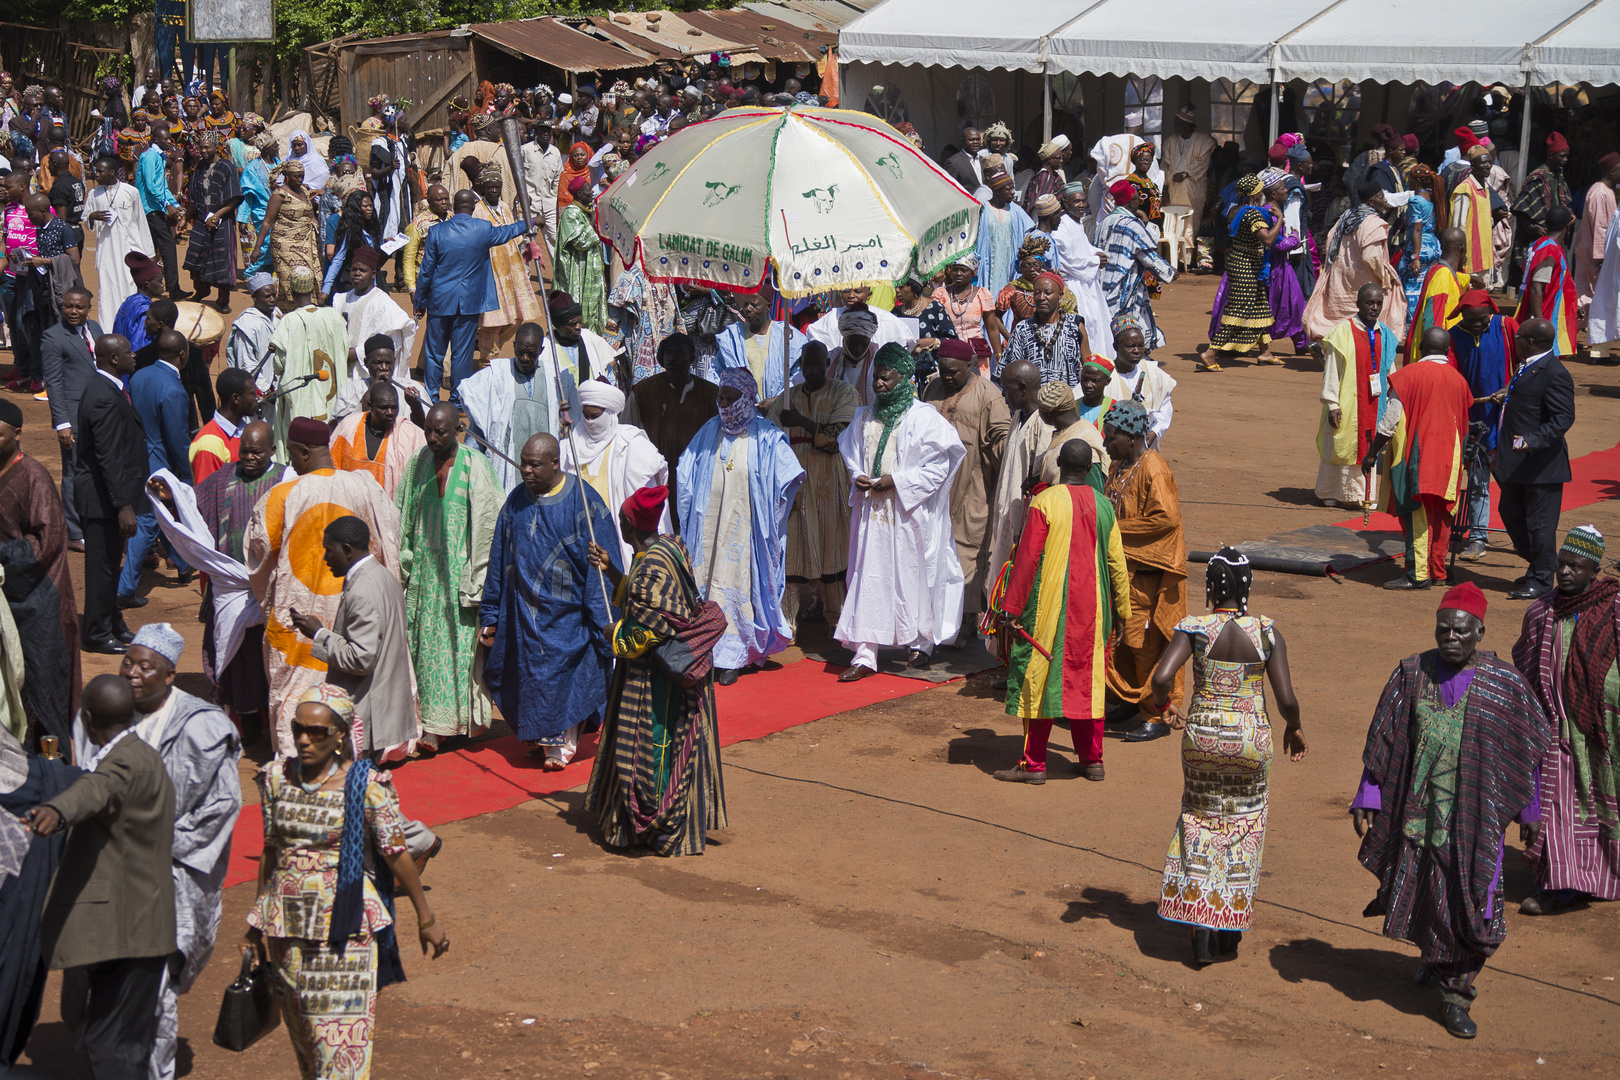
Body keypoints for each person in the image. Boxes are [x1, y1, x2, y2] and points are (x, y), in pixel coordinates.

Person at [1351, 582, 1552, 1039]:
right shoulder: (1412, 673)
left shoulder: (1504, 686)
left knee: (1470, 897)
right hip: (1420, 813)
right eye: (1443, 630)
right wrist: (1368, 793)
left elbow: (1526, 753)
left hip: (1476, 818)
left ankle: (1456, 994)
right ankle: (1436, 957)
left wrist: (1531, 810)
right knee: (1424, 885)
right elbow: (1385, 738)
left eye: (1461, 632)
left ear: (1480, 631)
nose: (1451, 639)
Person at [246, 685, 448, 1080]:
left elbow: (396, 852)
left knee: (340, 1050)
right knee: (306, 1037)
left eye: (316, 732)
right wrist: (256, 925)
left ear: (340, 735)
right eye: (298, 728)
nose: (303, 739)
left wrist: (426, 918)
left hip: (345, 929)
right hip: (285, 929)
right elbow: (272, 852)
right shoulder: (275, 779)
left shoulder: (366, 785)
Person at [79, 624, 241, 1080]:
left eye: (145, 667)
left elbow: (221, 807)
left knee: (158, 988)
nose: (132, 673)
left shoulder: (203, 726)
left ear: (169, 675)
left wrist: (159, 845)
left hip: (173, 878)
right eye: (127, 662)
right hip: (108, 874)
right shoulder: (102, 710)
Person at [1148, 547, 1305, 965]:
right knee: (1244, 826)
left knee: (1199, 820)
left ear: (1210, 587)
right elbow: (1286, 700)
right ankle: (1228, 931)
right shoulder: (1268, 632)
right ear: (1247, 587)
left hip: (1202, 740)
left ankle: (1199, 923)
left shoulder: (1194, 627)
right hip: (1251, 742)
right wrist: (1294, 727)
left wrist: (1166, 708)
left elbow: (1161, 679)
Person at [23, 674, 175, 1080]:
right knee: (123, 1043)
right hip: (141, 922)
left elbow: (95, 789)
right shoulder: (144, 754)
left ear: (87, 719)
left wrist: (56, 811)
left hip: (124, 927)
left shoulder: (122, 762)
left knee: (109, 1047)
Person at [583, 485, 727, 854]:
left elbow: (650, 628)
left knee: (651, 749)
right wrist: (613, 571)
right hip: (676, 670)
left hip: (655, 680)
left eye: (621, 524)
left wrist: (612, 632)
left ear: (630, 526)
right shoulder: (668, 549)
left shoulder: (649, 566)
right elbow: (648, 599)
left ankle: (654, 824)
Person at [246, 418, 401, 754]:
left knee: (297, 697)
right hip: (358, 616)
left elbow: (258, 557)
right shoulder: (366, 487)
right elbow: (390, 536)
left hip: (299, 628)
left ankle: (298, 757)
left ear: (302, 452)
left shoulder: (281, 497)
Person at [991, 439, 1129, 785]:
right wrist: (1123, 612)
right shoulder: (1103, 505)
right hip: (1095, 611)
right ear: (1088, 469)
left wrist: (1009, 608)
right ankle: (1092, 761)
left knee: (1039, 680)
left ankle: (1033, 764)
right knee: (1088, 679)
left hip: (1050, 610)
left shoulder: (1044, 501)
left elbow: (1026, 561)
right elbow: (1117, 564)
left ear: (1058, 466)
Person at [480, 433, 621, 768]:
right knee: (528, 675)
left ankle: (561, 744)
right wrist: (491, 612)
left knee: (563, 676)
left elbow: (602, 562)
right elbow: (500, 556)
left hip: (569, 613)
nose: (526, 470)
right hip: (523, 613)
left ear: (555, 463)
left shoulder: (585, 504)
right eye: (523, 463)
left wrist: (603, 618)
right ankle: (537, 736)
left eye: (534, 465)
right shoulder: (515, 501)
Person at [835, 345, 965, 681]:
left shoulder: (924, 419)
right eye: (876, 377)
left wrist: (898, 481)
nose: (877, 383)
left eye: (885, 377)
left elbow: (940, 466)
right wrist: (857, 476)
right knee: (868, 579)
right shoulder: (864, 416)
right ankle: (866, 654)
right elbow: (850, 452)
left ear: (904, 379)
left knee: (915, 576)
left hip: (909, 514)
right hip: (871, 513)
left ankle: (920, 642)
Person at [149, 422, 280, 740]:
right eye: (245, 451)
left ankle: (271, 726)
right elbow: (193, 507)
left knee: (270, 660)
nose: (249, 457)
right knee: (237, 662)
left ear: (272, 452)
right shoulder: (223, 480)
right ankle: (245, 725)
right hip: (231, 593)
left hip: (269, 593)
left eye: (257, 452)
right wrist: (169, 498)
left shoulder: (285, 482)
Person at [1514, 526, 1620, 914]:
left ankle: (1600, 878)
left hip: (1603, 733)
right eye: (1561, 563)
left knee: (1601, 808)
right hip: (1555, 731)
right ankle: (1561, 888)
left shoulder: (1614, 608)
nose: (1565, 572)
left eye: (1576, 566)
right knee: (1558, 805)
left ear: (1593, 571)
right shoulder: (1541, 611)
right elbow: (1525, 668)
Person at [676, 369, 804, 686]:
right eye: (721, 397)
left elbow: (790, 474)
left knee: (738, 587)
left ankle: (734, 656)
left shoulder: (767, 436)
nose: (724, 404)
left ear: (747, 399)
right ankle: (707, 650)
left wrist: (776, 506)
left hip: (746, 530)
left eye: (731, 398)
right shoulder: (708, 431)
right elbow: (684, 470)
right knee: (706, 585)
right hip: (707, 530)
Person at [392, 405, 504, 751]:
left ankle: (452, 725)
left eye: (440, 432)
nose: (432, 438)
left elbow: (488, 524)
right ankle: (427, 724)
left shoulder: (476, 466)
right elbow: (402, 512)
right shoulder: (418, 463)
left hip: (461, 578)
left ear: (458, 429)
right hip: (425, 576)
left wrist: (478, 576)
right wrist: (403, 561)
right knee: (424, 650)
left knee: (459, 651)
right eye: (428, 431)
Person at [288, 515, 425, 773]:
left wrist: (319, 634)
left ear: (347, 550)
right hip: (379, 706)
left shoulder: (363, 589)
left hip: (366, 710)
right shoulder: (383, 576)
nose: (326, 559)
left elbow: (360, 659)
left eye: (329, 551)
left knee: (353, 790)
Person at [1361, 327, 1475, 590]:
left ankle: (1417, 575)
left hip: (1418, 457)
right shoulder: (1460, 381)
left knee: (1416, 514)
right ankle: (1437, 571)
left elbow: (1390, 422)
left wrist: (1372, 453)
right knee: (1441, 516)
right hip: (1450, 461)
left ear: (1421, 347)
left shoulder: (1407, 376)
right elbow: (1466, 426)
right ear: (1447, 350)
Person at [1101, 400, 1187, 742]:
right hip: (1123, 573)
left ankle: (1154, 712)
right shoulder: (1121, 464)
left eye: (1111, 438)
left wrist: (1115, 529)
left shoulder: (1154, 468)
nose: (1106, 444)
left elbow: (1166, 518)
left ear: (1131, 437)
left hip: (1146, 578)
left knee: (1143, 645)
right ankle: (1130, 700)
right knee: (1119, 641)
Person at [761, 341, 858, 631]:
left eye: (818, 364)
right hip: (794, 481)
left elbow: (840, 435)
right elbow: (769, 435)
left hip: (830, 480)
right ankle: (786, 624)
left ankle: (838, 620)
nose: (812, 370)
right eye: (807, 365)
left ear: (827, 363)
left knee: (832, 546)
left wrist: (802, 422)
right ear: (800, 365)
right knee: (792, 551)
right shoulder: (786, 397)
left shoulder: (843, 392)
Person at [0, 398, 79, 750]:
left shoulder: (33, 475)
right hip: (5, 599)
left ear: (17, 434)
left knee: (42, 685)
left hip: (39, 603)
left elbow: (46, 541)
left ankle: (49, 771)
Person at [413, 189, 532, 409]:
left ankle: (431, 399)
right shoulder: (483, 229)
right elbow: (507, 232)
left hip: (440, 301)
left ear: (453, 207)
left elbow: (426, 272)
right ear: (473, 207)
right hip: (468, 303)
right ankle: (458, 403)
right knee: (462, 355)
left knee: (434, 353)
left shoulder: (437, 232)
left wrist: (420, 302)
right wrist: (530, 222)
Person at [923, 339, 1010, 630]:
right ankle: (932, 617)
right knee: (931, 551)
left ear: (970, 366)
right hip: (933, 488)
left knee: (967, 553)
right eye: (942, 370)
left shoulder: (989, 395)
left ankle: (963, 621)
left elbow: (1002, 441)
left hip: (973, 487)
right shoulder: (932, 388)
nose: (947, 377)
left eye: (953, 372)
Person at [1493, 318, 1574, 601]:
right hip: (1517, 464)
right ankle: (1540, 566)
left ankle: (1541, 581)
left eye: (1517, 337)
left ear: (1529, 342)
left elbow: (1564, 417)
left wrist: (1532, 442)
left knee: (1540, 525)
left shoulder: (1554, 372)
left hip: (1542, 466)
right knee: (1511, 514)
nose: (1513, 341)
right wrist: (1508, 394)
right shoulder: (1527, 365)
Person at [75, 334, 146, 656]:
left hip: (105, 497)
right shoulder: (104, 396)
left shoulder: (105, 388)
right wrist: (123, 506)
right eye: (129, 352)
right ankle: (95, 633)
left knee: (109, 564)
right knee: (102, 568)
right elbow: (108, 457)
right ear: (114, 359)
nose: (134, 356)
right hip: (102, 500)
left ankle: (112, 622)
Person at [119, 329, 196, 607]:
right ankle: (125, 588)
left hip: (135, 457)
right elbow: (177, 440)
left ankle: (181, 564)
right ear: (182, 355)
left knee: (160, 515)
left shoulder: (139, 376)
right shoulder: (174, 390)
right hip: (158, 465)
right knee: (150, 522)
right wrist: (187, 475)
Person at [559, 382, 669, 564]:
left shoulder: (630, 444)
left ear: (610, 414)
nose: (589, 421)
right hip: (577, 532)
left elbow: (651, 485)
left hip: (617, 532)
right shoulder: (570, 444)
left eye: (595, 416)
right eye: (586, 415)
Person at [1448, 293, 1519, 561]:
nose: (1477, 325)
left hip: (1505, 418)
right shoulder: (1453, 336)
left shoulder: (1505, 326)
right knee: (1478, 481)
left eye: (1481, 320)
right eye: (1471, 320)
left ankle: (1524, 536)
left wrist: (1510, 389)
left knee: (1513, 483)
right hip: (1473, 419)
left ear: (1490, 312)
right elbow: (1452, 374)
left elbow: (1525, 363)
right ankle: (1478, 538)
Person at [1315, 284, 1398, 509]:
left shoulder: (1386, 335)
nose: (1374, 307)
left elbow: (1391, 371)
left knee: (1369, 444)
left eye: (1378, 303)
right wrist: (1332, 404)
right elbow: (1331, 370)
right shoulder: (1342, 333)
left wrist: (1393, 398)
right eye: (1369, 302)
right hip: (1347, 401)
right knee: (1340, 445)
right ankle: (1331, 492)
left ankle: (1364, 494)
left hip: (1375, 402)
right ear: (1357, 304)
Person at [623, 333, 717, 522]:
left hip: (697, 478)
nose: (672, 358)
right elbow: (627, 434)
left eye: (679, 353)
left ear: (692, 357)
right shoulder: (643, 391)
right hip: (655, 477)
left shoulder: (711, 394)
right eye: (668, 353)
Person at [1305, 182, 1407, 341]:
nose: (1385, 201)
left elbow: (1330, 241)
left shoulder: (1347, 216)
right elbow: (1371, 257)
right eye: (1381, 197)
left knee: (1341, 316)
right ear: (1371, 202)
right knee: (1368, 315)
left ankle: (1327, 344)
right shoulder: (1373, 222)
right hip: (1365, 278)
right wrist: (1386, 277)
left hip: (1341, 276)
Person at [39, 286, 101, 550]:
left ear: (89, 307)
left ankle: (92, 519)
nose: (73, 311)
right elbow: (53, 382)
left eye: (79, 307)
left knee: (96, 467)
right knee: (73, 471)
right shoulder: (53, 337)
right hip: (73, 416)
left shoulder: (95, 329)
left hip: (98, 413)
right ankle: (74, 532)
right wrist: (61, 422)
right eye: (68, 306)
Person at [1200, 175, 1283, 370]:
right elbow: (1269, 240)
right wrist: (1279, 218)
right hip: (1245, 265)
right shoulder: (1253, 215)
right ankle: (1211, 353)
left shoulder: (1236, 210)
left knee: (1260, 305)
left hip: (1243, 262)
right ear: (1256, 192)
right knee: (1239, 308)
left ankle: (1265, 352)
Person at [985, 359, 1048, 604]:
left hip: (1024, 522)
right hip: (1006, 514)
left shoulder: (1042, 424)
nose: (1003, 395)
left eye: (1007, 389)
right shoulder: (1019, 416)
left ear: (1023, 388)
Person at [268, 267, 346, 456]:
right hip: (331, 397)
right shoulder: (333, 316)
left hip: (300, 402)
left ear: (291, 290)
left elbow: (279, 367)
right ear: (313, 289)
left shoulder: (288, 321)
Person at [471, 170, 547, 357]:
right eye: (490, 187)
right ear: (484, 188)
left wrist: (528, 246)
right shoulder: (478, 209)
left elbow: (514, 233)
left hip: (512, 268)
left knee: (516, 316)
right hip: (491, 269)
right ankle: (487, 359)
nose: (494, 190)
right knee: (493, 320)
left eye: (497, 187)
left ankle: (488, 345)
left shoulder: (505, 206)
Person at [1097, 180, 1175, 348]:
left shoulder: (1104, 222)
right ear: (1131, 202)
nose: (1139, 202)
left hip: (1102, 283)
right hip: (1124, 284)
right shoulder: (1132, 225)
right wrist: (1170, 272)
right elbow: (1148, 255)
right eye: (1137, 199)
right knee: (1125, 324)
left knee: (1110, 321)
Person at [82, 155, 155, 323]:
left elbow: (141, 222)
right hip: (106, 251)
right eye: (96, 171)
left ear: (112, 172)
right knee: (107, 292)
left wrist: (149, 253)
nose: (96, 175)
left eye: (100, 171)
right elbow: (86, 221)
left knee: (129, 287)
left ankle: (129, 324)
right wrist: (92, 217)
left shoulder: (130, 192)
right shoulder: (94, 194)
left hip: (129, 249)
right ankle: (108, 329)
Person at [329, 382, 427, 501]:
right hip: (350, 504)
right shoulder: (349, 426)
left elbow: (427, 449)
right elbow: (332, 466)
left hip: (388, 510)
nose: (390, 413)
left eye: (394, 407)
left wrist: (416, 407)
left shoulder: (408, 432)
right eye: (384, 408)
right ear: (370, 406)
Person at [1049, 186, 1115, 360]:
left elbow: (1084, 248)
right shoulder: (1062, 226)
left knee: (1096, 323)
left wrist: (1096, 253)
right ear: (1065, 203)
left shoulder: (1077, 222)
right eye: (1076, 201)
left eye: (1083, 200)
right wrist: (1095, 261)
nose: (1082, 205)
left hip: (1087, 283)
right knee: (1085, 324)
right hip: (1074, 285)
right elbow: (1068, 260)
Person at [995, 270, 1091, 387]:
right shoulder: (1023, 329)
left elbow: (1088, 367)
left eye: (1048, 292)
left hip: (1068, 401)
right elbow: (1009, 371)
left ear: (1060, 295)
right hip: (1032, 402)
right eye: (1037, 293)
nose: (1041, 297)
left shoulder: (1075, 326)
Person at [331, 246, 417, 376]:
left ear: (374, 274)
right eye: (353, 269)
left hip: (367, 373)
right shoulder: (341, 299)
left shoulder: (383, 303)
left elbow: (395, 339)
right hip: (341, 368)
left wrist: (358, 353)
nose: (357, 273)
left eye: (363, 270)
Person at [181, 129, 241, 311]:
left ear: (216, 147)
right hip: (200, 219)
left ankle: (223, 300)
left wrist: (217, 216)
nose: (203, 151)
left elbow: (235, 198)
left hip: (222, 221)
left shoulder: (227, 168)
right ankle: (201, 291)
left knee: (222, 259)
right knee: (197, 256)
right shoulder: (199, 167)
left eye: (207, 147)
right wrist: (185, 218)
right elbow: (193, 197)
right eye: (201, 147)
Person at [715, 288, 805, 401]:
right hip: (741, 409)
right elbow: (717, 372)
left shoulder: (787, 335)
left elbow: (798, 376)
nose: (748, 309)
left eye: (754, 305)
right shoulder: (733, 336)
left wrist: (777, 400)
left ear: (768, 307)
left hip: (779, 409)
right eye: (746, 304)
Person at [251, 159, 322, 299]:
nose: (300, 179)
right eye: (297, 176)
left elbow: (311, 216)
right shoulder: (279, 195)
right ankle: (292, 309)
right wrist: (257, 247)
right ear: (287, 176)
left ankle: (307, 306)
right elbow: (267, 221)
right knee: (290, 278)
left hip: (306, 242)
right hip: (284, 244)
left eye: (302, 176)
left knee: (311, 275)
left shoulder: (304, 192)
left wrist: (317, 234)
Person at [1514, 207, 1577, 357]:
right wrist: (1539, 324)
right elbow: (1536, 286)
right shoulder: (1549, 250)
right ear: (1567, 226)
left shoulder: (1539, 243)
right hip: (1546, 314)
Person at [1104, 315, 1176, 448]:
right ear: (1116, 346)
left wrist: (1154, 432)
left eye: (1140, 346)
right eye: (1130, 346)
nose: (1137, 351)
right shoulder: (1105, 377)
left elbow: (1164, 406)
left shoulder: (1154, 373)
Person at [134, 124, 184, 300]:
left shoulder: (159, 156)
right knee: (167, 245)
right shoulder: (149, 157)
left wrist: (172, 203)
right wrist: (167, 204)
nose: (169, 141)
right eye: (165, 139)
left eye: (169, 138)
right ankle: (173, 288)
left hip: (156, 207)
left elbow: (161, 185)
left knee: (152, 247)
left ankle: (150, 286)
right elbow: (150, 185)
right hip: (148, 208)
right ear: (155, 140)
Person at [1406, 227, 1469, 365]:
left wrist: (1470, 278)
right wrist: (1435, 359)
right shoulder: (1442, 277)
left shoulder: (1437, 270)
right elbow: (1432, 320)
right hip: (1437, 358)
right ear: (1463, 249)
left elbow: (1454, 279)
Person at [1161, 105, 1217, 258]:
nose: (1174, 126)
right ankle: (1171, 257)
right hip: (1173, 190)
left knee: (1190, 221)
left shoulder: (1202, 141)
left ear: (1186, 124)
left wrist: (1185, 173)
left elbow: (1202, 165)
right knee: (1172, 222)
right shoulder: (1170, 142)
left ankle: (1188, 258)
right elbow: (1164, 167)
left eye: (1177, 122)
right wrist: (1165, 189)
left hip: (1193, 189)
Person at [189, 367, 257, 486]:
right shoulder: (209, 444)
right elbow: (207, 497)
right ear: (236, 398)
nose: (257, 398)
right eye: (252, 394)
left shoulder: (246, 430)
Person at [1512, 133, 1573, 264]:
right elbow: (1521, 209)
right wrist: (1533, 227)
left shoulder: (1558, 175)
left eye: (1567, 156)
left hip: (1557, 234)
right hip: (1540, 236)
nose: (1566, 159)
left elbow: (1565, 202)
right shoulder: (1537, 178)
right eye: (1562, 156)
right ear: (1551, 155)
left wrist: (1570, 214)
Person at [976, 169, 1034, 300]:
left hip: (1009, 263)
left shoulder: (1016, 210)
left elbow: (1030, 232)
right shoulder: (982, 209)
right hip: (987, 263)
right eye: (1009, 189)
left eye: (1013, 189)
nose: (1013, 192)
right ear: (997, 191)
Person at [1575, 153, 1620, 313]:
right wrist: (1601, 257)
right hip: (1594, 251)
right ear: (1612, 172)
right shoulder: (1599, 192)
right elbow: (1600, 227)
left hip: (1594, 250)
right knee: (1590, 289)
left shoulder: (1606, 191)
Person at [1449, 147, 1497, 280]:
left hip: (1484, 256)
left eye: (1490, 162)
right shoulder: (1465, 189)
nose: (1488, 166)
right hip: (1469, 256)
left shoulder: (1486, 188)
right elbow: (1459, 226)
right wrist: (1460, 255)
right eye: (1483, 163)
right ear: (1473, 165)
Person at [400, 183, 450, 296]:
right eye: (439, 200)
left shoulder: (453, 219)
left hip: (450, 280)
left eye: (446, 199)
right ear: (429, 201)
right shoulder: (418, 224)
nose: (444, 202)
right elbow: (409, 257)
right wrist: (412, 288)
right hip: (428, 282)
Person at [522, 121, 564, 248]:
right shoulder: (525, 150)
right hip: (530, 203)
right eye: (542, 131)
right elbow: (518, 175)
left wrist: (555, 197)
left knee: (554, 239)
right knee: (527, 239)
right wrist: (523, 196)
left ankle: (557, 268)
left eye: (548, 131)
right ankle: (525, 268)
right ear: (536, 133)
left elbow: (558, 177)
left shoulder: (555, 152)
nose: (545, 134)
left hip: (549, 203)